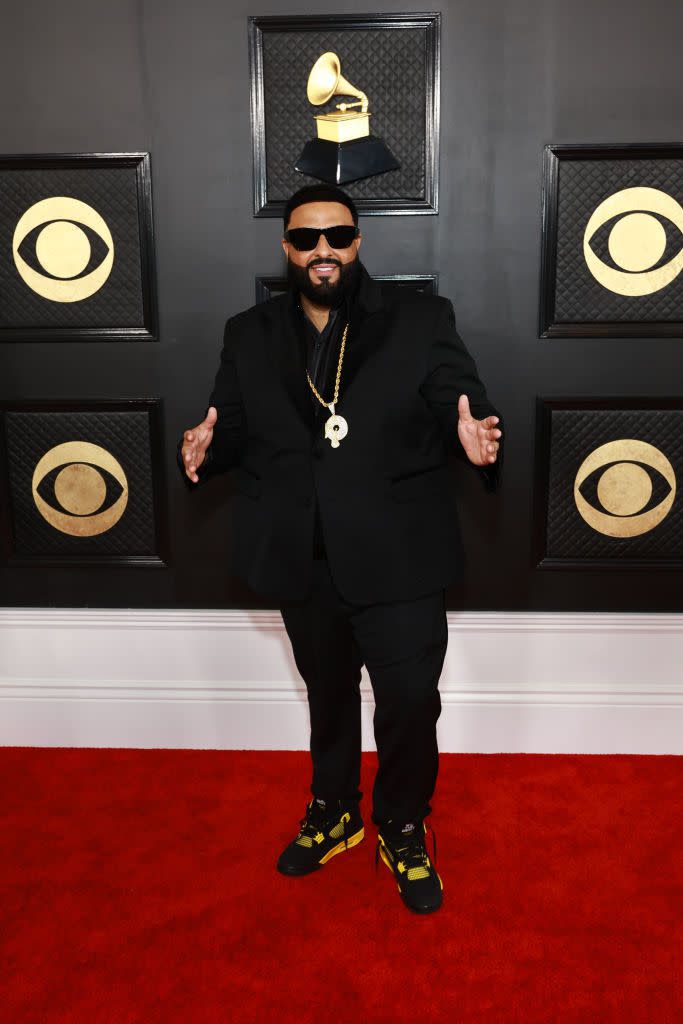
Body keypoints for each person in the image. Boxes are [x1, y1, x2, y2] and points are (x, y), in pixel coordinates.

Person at [179, 183, 503, 914]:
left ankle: (401, 820)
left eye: (337, 235)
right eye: (305, 238)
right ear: (285, 247)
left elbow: (458, 394)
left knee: (410, 702)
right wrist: (202, 447)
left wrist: (473, 434)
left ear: (356, 242)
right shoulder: (250, 332)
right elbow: (226, 424)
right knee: (327, 698)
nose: (321, 249)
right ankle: (335, 810)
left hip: (398, 552)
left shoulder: (420, 320)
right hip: (301, 552)